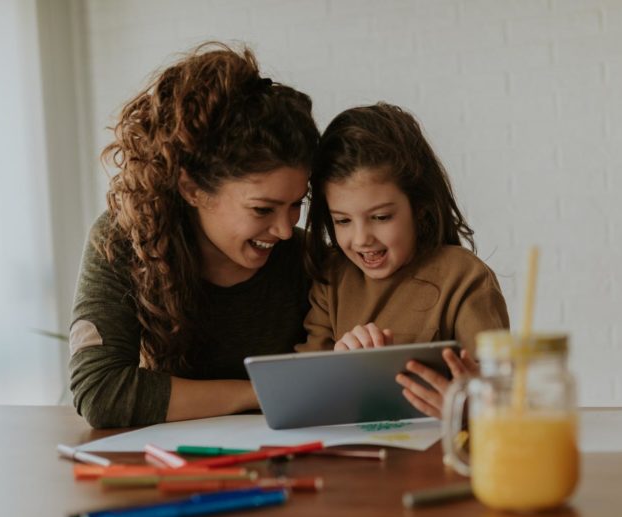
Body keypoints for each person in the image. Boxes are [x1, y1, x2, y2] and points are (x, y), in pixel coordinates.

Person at [69, 43, 319, 428]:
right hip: (176, 468)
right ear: (192, 189)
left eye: (295, 204)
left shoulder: (306, 258)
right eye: (262, 209)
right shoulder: (124, 241)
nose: (286, 230)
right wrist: (261, 391)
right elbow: (101, 391)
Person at [297, 102, 509, 416]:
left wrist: (470, 403)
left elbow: (504, 393)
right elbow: (303, 390)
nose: (360, 239)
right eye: (342, 221)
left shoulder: (464, 278)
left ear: (419, 206)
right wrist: (339, 367)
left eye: (381, 217)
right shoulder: (332, 278)